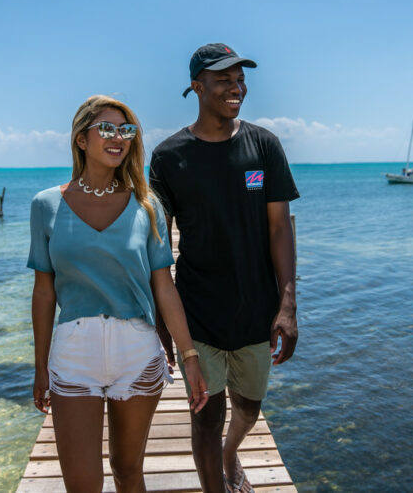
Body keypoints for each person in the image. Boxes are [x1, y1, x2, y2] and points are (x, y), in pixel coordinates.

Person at [28, 95, 208, 492]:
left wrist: (188, 354)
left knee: (129, 471)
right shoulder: (46, 205)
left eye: (126, 131)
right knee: (82, 484)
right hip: (74, 354)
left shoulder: (147, 205)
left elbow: (164, 286)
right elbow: (44, 293)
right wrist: (40, 365)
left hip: (137, 352)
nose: (118, 138)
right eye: (106, 129)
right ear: (81, 139)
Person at [150, 44, 299, 493]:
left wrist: (288, 305)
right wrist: (161, 316)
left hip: (257, 307)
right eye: (224, 80)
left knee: (249, 409)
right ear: (197, 87)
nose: (236, 88)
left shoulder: (265, 145)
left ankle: (232, 452)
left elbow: (279, 230)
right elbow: (158, 245)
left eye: (240, 79)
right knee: (206, 415)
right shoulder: (168, 156)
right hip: (197, 310)